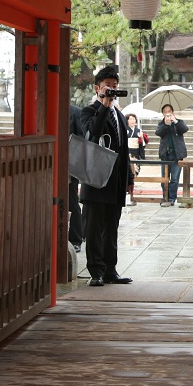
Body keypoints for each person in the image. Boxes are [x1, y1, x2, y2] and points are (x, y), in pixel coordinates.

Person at [79, 65, 134, 287]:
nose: (111, 91)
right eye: (107, 87)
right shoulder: (89, 111)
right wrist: (103, 105)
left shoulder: (120, 115)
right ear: (96, 88)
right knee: (94, 228)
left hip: (116, 181)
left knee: (111, 227)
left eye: (114, 87)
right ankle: (96, 271)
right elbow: (91, 134)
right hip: (96, 180)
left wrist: (129, 179)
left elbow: (124, 150)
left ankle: (111, 269)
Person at [155, 104, 189, 207]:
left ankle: (172, 198)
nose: (167, 113)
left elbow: (184, 129)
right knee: (164, 178)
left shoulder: (179, 122)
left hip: (176, 155)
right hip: (165, 155)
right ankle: (165, 197)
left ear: (173, 112)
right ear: (163, 113)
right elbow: (158, 133)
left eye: (169, 111)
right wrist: (166, 124)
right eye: (165, 111)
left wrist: (175, 121)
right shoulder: (161, 124)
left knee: (174, 178)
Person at [68, 103, 85, 253]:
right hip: (49, 161)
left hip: (69, 164)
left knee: (71, 200)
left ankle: (75, 238)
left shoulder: (75, 112)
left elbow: (81, 138)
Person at [127, 113, 148, 205]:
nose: (132, 121)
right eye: (130, 119)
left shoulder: (138, 130)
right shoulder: (125, 130)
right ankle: (129, 193)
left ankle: (131, 192)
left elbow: (142, 144)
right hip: (127, 153)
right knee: (129, 173)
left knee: (135, 172)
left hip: (136, 154)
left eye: (134, 119)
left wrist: (141, 137)